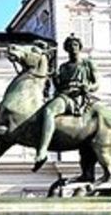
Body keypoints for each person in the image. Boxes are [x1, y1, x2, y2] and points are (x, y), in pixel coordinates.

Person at [35, 34, 97, 171]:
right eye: (69, 46)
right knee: (44, 110)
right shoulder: (63, 67)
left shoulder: (87, 64)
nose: (72, 48)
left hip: (77, 97)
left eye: (75, 45)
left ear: (79, 47)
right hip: (64, 95)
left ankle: (42, 150)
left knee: (49, 111)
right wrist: (55, 78)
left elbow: (96, 84)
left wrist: (88, 87)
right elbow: (58, 86)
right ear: (66, 49)